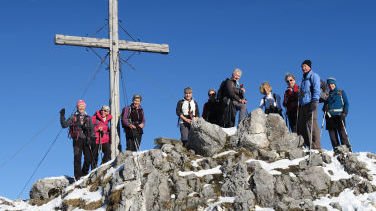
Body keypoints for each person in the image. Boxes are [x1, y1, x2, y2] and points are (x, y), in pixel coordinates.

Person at [60, 100, 95, 180]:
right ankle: (78, 176)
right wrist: (62, 115)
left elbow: (92, 129)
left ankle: (84, 173)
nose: (81, 108)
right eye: (80, 106)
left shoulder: (88, 117)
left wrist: (92, 139)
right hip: (77, 139)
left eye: (83, 106)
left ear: (85, 107)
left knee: (88, 158)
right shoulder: (73, 117)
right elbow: (64, 125)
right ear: (77, 107)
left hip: (87, 139)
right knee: (77, 158)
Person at [297, 60, 322, 150]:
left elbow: (316, 89)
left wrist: (315, 101)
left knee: (312, 123)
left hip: (311, 102)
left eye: (305, 66)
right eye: (302, 66)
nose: (304, 68)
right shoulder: (303, 79)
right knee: (302, 125)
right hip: (303, 104)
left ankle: (317, 146)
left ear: (309, 67)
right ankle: (310, 145)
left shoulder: (314, 76)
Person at [323, 78, 351, 152]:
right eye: (329, 85)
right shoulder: (327, 95)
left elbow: (346, 103)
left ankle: (347, 150)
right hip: (330, 117)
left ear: (335, 84)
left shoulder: (341, 92)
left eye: (332, 84)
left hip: (339, 116)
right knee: (333, 137)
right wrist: (325, 108)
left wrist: (345, 112)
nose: (330, 86)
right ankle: (336, 150)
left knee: (342, 134)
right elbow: (324, 107)